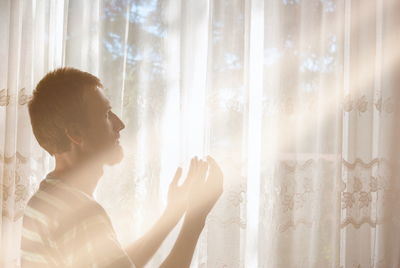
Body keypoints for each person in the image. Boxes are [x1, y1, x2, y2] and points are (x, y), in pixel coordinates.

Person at [21, 67, 224, 268]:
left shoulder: (45, 200)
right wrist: (195, 219)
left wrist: (173, 212)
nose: (120, 124)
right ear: (75, 133)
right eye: (107, 114)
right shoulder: (80, 215)